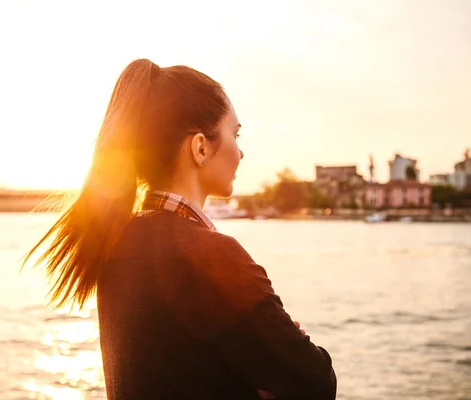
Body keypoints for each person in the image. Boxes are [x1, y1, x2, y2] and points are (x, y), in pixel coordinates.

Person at [25, 59, 337, 399]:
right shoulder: (211, 255)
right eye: (235, 133)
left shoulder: (115, 242)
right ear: (201, 147)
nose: (241, 151)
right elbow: (316, 383)